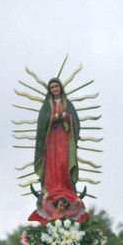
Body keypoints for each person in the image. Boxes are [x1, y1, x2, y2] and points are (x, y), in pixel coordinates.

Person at [30, 77, 87, 222]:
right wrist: (53, 118)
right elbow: (42, 123)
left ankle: (66, 188)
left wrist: (66, 117)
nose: (55, 89)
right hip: (51, 142)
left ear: (61, 87)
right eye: (52, 87)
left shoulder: (68, 105)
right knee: (52, 165)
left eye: (56, 86)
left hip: (65, 140)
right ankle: (50, 189)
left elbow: (75, 122)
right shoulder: (46, 106)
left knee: (63, 163)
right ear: (49, 90)